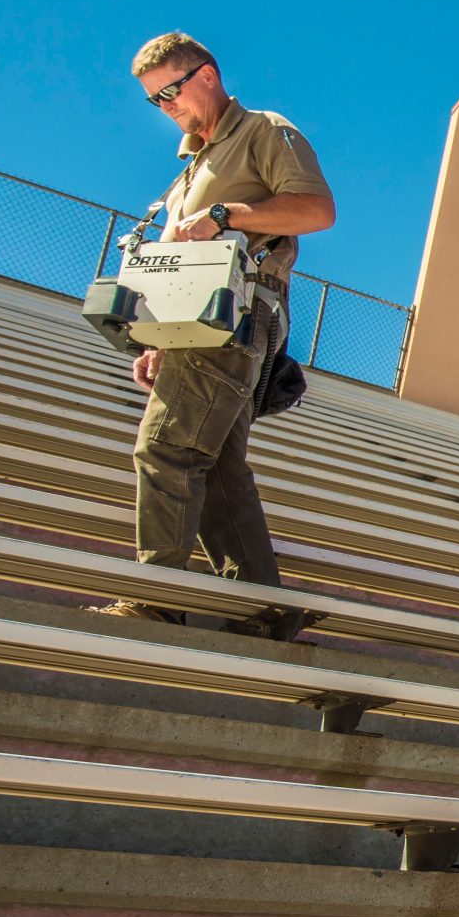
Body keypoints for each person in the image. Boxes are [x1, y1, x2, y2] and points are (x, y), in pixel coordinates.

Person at [90, 33, 334, 640]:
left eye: (171, 90)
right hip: (195, 329)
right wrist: (156, 342)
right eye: (153, 100)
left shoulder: (261, 132)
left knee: (164, 450)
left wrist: (227, 215)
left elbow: (316, 211)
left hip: (229, 324)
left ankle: (156, 599)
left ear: (207, 74)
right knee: (220, 469)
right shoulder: (190, 167)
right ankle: (264, 609)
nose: (165, 106)